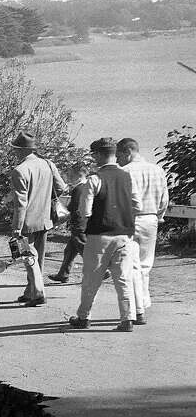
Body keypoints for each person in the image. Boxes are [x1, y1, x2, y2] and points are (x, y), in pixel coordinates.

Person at [67, 137, 140, 333]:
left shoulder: (94, 179)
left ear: (99, 154)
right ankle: (127, 319)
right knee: (123, 278)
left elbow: (86, 212)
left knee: (91, 280)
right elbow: (137, 205)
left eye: (94, 155)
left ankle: (84, 317)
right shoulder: (127, 176)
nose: (94, 159)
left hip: (100, 235)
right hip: (124, 235)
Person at [8, 131, 67, 307]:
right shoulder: (48, 164)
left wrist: (16, 227)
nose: (14, 152)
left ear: (21, 150)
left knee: (28, 257)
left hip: (27, 222)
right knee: (37, 257)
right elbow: (62, 188)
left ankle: (38, 293)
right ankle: (30, 290)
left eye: (15, 149)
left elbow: (21, 204)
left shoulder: (20, 171)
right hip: (45, 219)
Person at [116, 137, 169, 324]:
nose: (117, 160)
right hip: (151, 218)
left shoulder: (124, 171)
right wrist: (158, 216)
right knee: (146, 264)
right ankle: (143, 302)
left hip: (130, 219)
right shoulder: (157, 170)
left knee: (131, 264)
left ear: (127, 152)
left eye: (119, 156)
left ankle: (135, 306)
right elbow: (164, 198)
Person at [49, 163, 88, 285]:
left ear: (79, 175)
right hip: (83, 223)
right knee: (70, 251)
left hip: (78, 224)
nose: (69, 177)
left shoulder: (78, 189)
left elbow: (74, 207)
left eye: (71, 174)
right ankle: (63, 274)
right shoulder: (86, 187)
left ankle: (101, 270)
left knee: (83, 249)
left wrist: (63, 210)